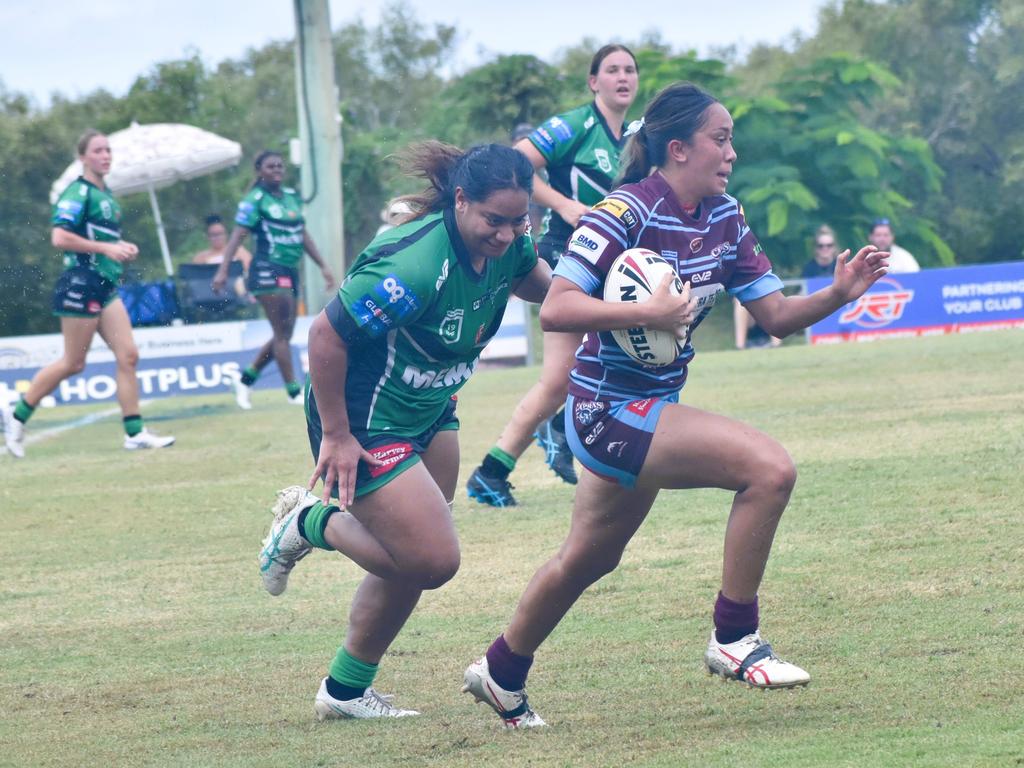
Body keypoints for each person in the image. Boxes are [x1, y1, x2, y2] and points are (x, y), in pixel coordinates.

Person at [460, 82, 890, 728]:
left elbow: (774, 316)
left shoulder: (725, 216)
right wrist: (648, 311)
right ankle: (733, 636)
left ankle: (500, 669)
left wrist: (841, 293)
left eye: (732, 140)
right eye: (721, 139)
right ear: (678, 148)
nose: (732, 153)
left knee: (588, 558)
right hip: (605, 408)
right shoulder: (622, 212)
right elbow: (557, 308)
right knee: (768, 469)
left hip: (653, 404)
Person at [255, 142, 551, 720]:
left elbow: (540, 283)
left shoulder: (511, 244)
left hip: (429, 407)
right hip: (365, 420)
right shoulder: (414, 266)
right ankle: (309, 521)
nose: (508, 234)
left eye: (520, 220)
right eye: (495, 220)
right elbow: (325, 336)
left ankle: (344, 691)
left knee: (409, 552)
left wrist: (613, 293)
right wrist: (337, 436)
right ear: (461, 201)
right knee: (432, 560)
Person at [466, 44, 640, 507]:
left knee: (613, 362)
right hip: (569, 255)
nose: (623, 77)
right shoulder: (575, 125)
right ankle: (506, 462)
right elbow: (515, 164)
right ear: (593, 81)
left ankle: (545, 438)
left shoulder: (634, 136)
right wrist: (561, 203)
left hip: (609, 262)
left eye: (630, 70)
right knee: (561, 375)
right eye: (612, 70)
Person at [1, 130, 175, 458]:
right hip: (80, 284)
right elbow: (59, 238)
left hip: (105, 286)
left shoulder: (106, 195)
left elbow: (102, 242)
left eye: (108, 150)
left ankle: (134, 432)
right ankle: (17, 414)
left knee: (128, 355)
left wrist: (120, 248)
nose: (106, 155)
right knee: (73, 362)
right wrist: (107, 248)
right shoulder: (77, 193)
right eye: (98, 150)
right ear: (83, 157)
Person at [213, 151, 335, 410]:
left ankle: (245, 379)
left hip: (290, 269)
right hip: (267, 269)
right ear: (260, 170)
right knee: (282, 333)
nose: (277, 169)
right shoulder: (255, 200)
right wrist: (223, 270)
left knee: (285, 333)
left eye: (280, 165)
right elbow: (237, 237)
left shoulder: (291, 197)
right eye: (271, 166)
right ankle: (293, 391)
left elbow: (303, 235)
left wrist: (323, 266)